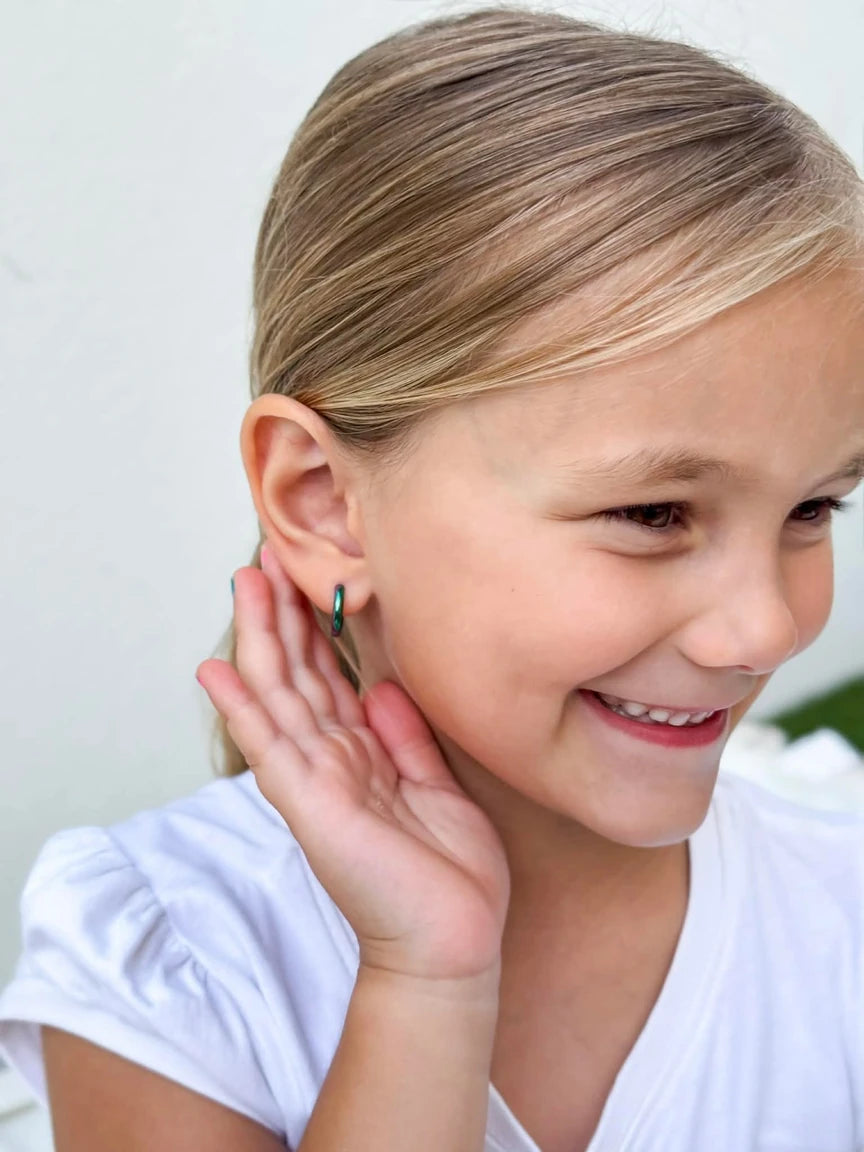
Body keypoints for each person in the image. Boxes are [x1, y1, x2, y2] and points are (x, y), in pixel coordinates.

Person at [2, 5, 864, 1150]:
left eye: (814, 507)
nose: (761, 629)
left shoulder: (841, 919)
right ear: (322, 501)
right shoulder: (179, 960)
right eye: (651, 512)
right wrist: (428, 984)